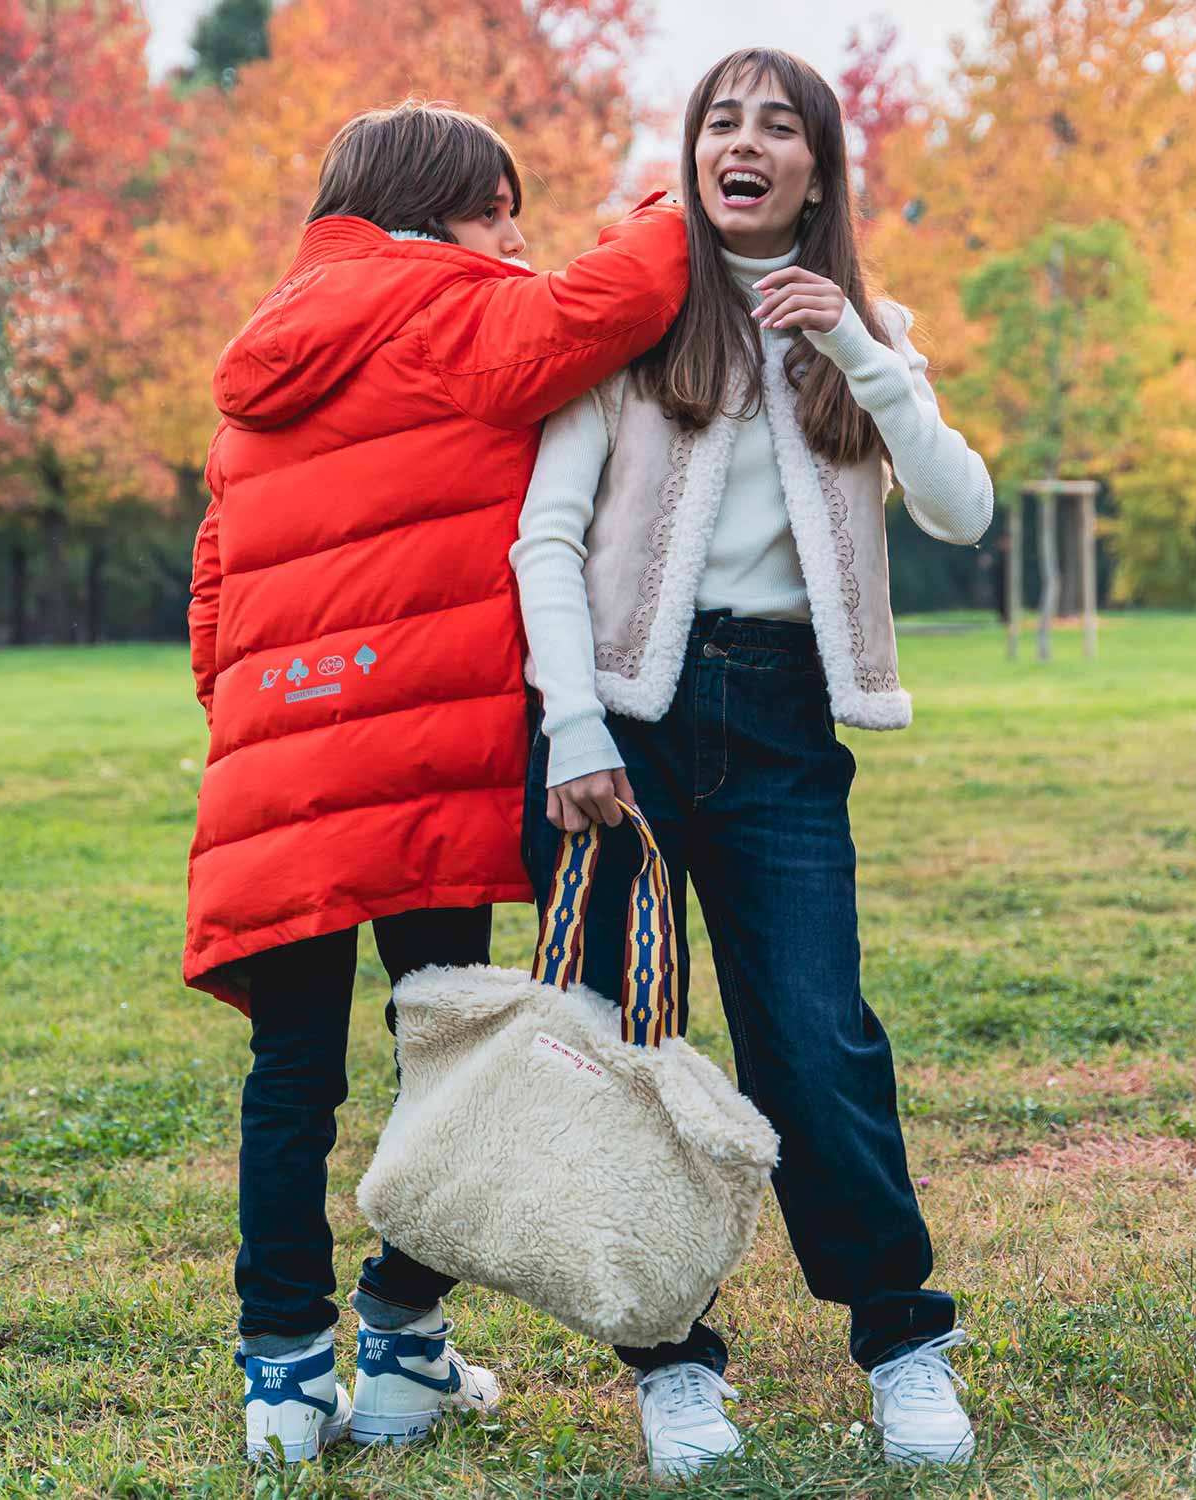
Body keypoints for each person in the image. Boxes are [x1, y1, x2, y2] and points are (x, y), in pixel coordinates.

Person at [184, 98, 689, 1464]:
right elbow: (634, 287)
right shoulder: (460, 320)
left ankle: (282, 1383)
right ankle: (403, 1345)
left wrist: (264, 725)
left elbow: (214, 592)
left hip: (280, 772)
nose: (514, 238)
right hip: (425, 768)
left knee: (291, 1076)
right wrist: (670, 196)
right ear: (436, 209)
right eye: (497, 210)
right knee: (447, 1056)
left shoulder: (262, 356)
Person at [512, 49, 993, 1479]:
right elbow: (546, 536)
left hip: (781, 726)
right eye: (722, 121)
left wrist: (861, 351)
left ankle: (902, 1343)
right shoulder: (636, 315)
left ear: (818, 170)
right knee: (628, 1051)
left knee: (817, 1041)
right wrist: (574, 725)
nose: (747, 143)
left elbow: (962, 509)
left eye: (779, 127)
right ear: (695, 155)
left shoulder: (865, 332)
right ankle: (672, 1368)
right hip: (622, 727)